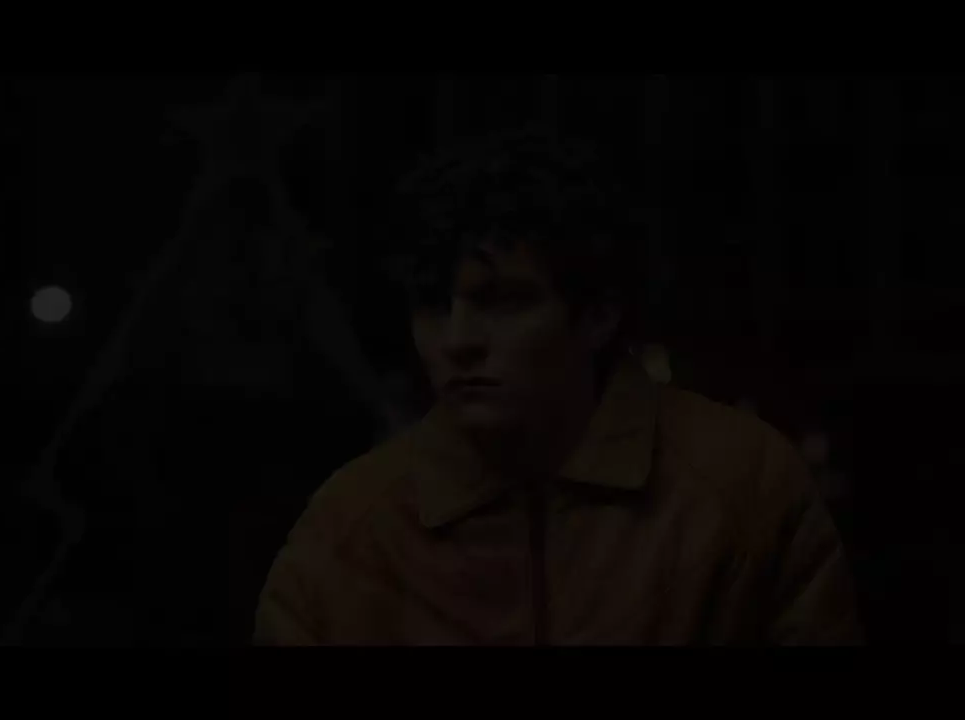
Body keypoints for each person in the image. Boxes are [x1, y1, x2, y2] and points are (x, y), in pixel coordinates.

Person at [254, 128, 863, 645]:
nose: (458, 340)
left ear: (598, 315)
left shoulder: (743, 494)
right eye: (433, 305)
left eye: (503, 302)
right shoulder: (349, 532)